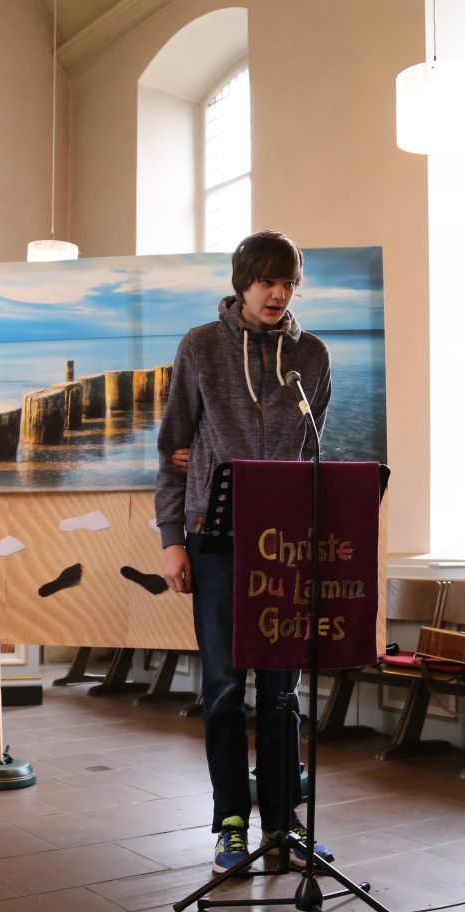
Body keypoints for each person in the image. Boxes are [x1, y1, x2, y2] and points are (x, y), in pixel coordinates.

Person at [156, 229, 333, 873]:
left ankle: (285, 824)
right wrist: (173, 539)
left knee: (282, 692)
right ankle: (231, 823)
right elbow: (172, 449)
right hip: (216, 539)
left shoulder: (311, 355)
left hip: (285, 546)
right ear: (242, 283)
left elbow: (314, 452)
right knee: (226, 688)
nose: (279, 293)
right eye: (267, 281)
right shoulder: (200, 346)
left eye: (288, 283)